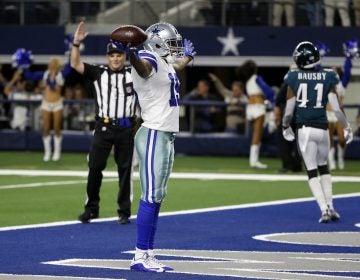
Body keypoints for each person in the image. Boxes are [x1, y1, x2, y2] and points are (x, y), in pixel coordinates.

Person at [113, 22, 195, 272]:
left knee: (157, 196)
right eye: (171, 42)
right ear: (157, 42)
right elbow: (144, 68)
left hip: (165, 134)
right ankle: (139, 255)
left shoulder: (165, 61)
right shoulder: (147, 58)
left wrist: (188, 58)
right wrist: (132, 54)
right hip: (153, 133)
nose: (175, 47)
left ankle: (147, 253)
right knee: (150, 196)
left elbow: (175, 66)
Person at [71, 21, 137, 225]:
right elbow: (75, 64)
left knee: (125, 170)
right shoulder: (99, 73)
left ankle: (124, 211)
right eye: (112, 55)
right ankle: (91, 209)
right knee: (95, 168)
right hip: (103, 127)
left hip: (126, 128)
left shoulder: (133, 74)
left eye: (119, 55)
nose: (116, 59)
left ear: (124, 57)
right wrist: (76, 44)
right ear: (107, 57)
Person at [282, 41, 353, 223]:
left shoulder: (293, 76)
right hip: (323, 129)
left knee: (312, 172)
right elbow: (336, 109)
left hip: (305, 129)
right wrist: (346, 126)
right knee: (324, 168)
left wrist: (285, 126)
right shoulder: (328, 75)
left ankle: (324, 209)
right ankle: (331, 206)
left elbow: (289, 108)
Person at [23, 57, 71, 161]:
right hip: (46, 103)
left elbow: (69, 68)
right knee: (46, 128)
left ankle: (57, 152)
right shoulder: (44, 74)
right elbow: (29, 76)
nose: (51, 63)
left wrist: (70, 53)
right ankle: (47, 153)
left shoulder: (61, 74)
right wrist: (24, 66)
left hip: (57, 103)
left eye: (53, 62)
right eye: (50, 62)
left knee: (57, 128)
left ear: (57, 64)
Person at [236, 60, 275, 169]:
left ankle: (254, 160)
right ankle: (254, 161)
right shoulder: (257, 78)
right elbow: (269, 91)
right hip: (258, 107)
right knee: (257, 134)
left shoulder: (247, 81)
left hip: (250, 108)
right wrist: (271, 103)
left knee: (256, 134)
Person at [273, 79, 302, 173]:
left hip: (289, 115)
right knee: (300, 141)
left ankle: (288, 164)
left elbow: (278, 101)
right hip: (301, 116)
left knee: (284, 140)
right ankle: (297, 165)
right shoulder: (308, 83)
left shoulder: (288, 83)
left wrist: (277, 116)